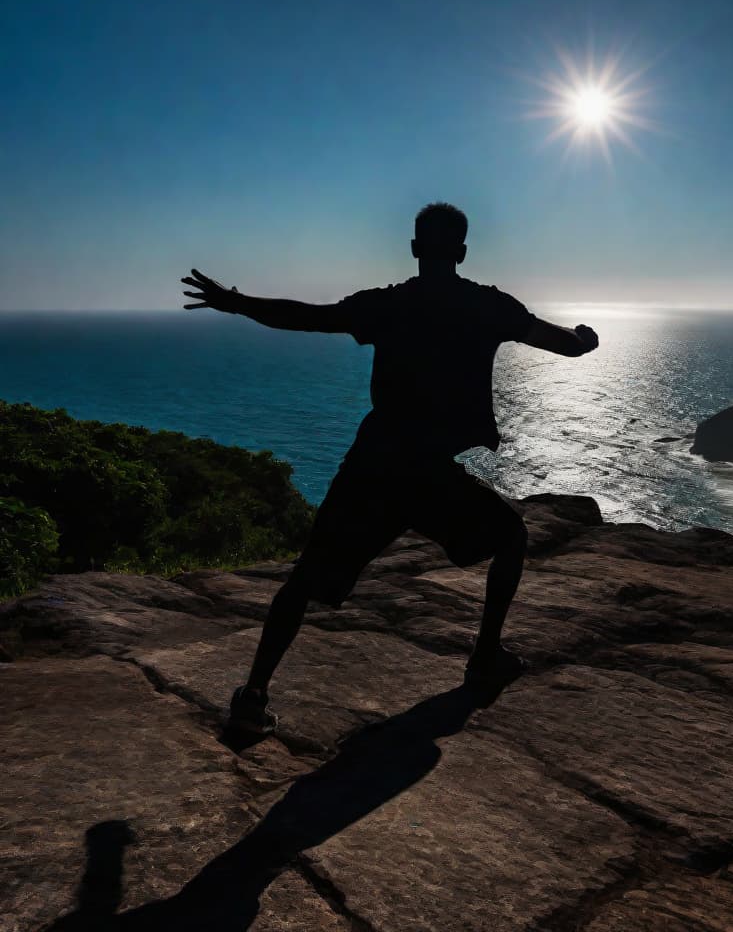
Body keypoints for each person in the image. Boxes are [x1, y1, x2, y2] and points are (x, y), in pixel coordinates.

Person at [181, 203, 598, 742]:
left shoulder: (389, 305)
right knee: (511, 538)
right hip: (427, 474)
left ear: (415, 248)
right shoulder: (488, 306)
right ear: (463, 251)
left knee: (304, 581)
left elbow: (310, 315)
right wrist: (587, 338)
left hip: (375, 464)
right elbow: (565, 344)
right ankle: (484, 658)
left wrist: (235, 303)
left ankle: (254, 694)